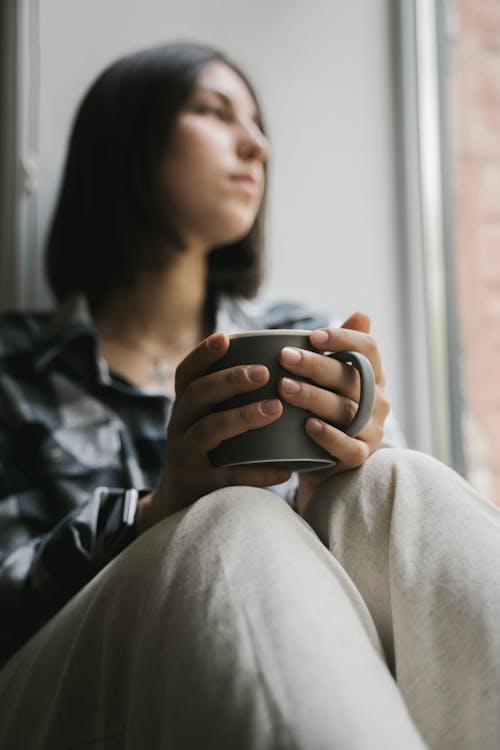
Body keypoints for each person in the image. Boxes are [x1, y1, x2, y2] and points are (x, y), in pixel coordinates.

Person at [0, 41, 498, 750]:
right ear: (126, 140)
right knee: (230, 520)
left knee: (398, 482)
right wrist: (154, 514)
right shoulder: (16, 366)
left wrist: (349, 454)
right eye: (213, 110)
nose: (256, 143)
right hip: (57, 703)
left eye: (259, 123)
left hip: (273, 665)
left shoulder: (292, 336)